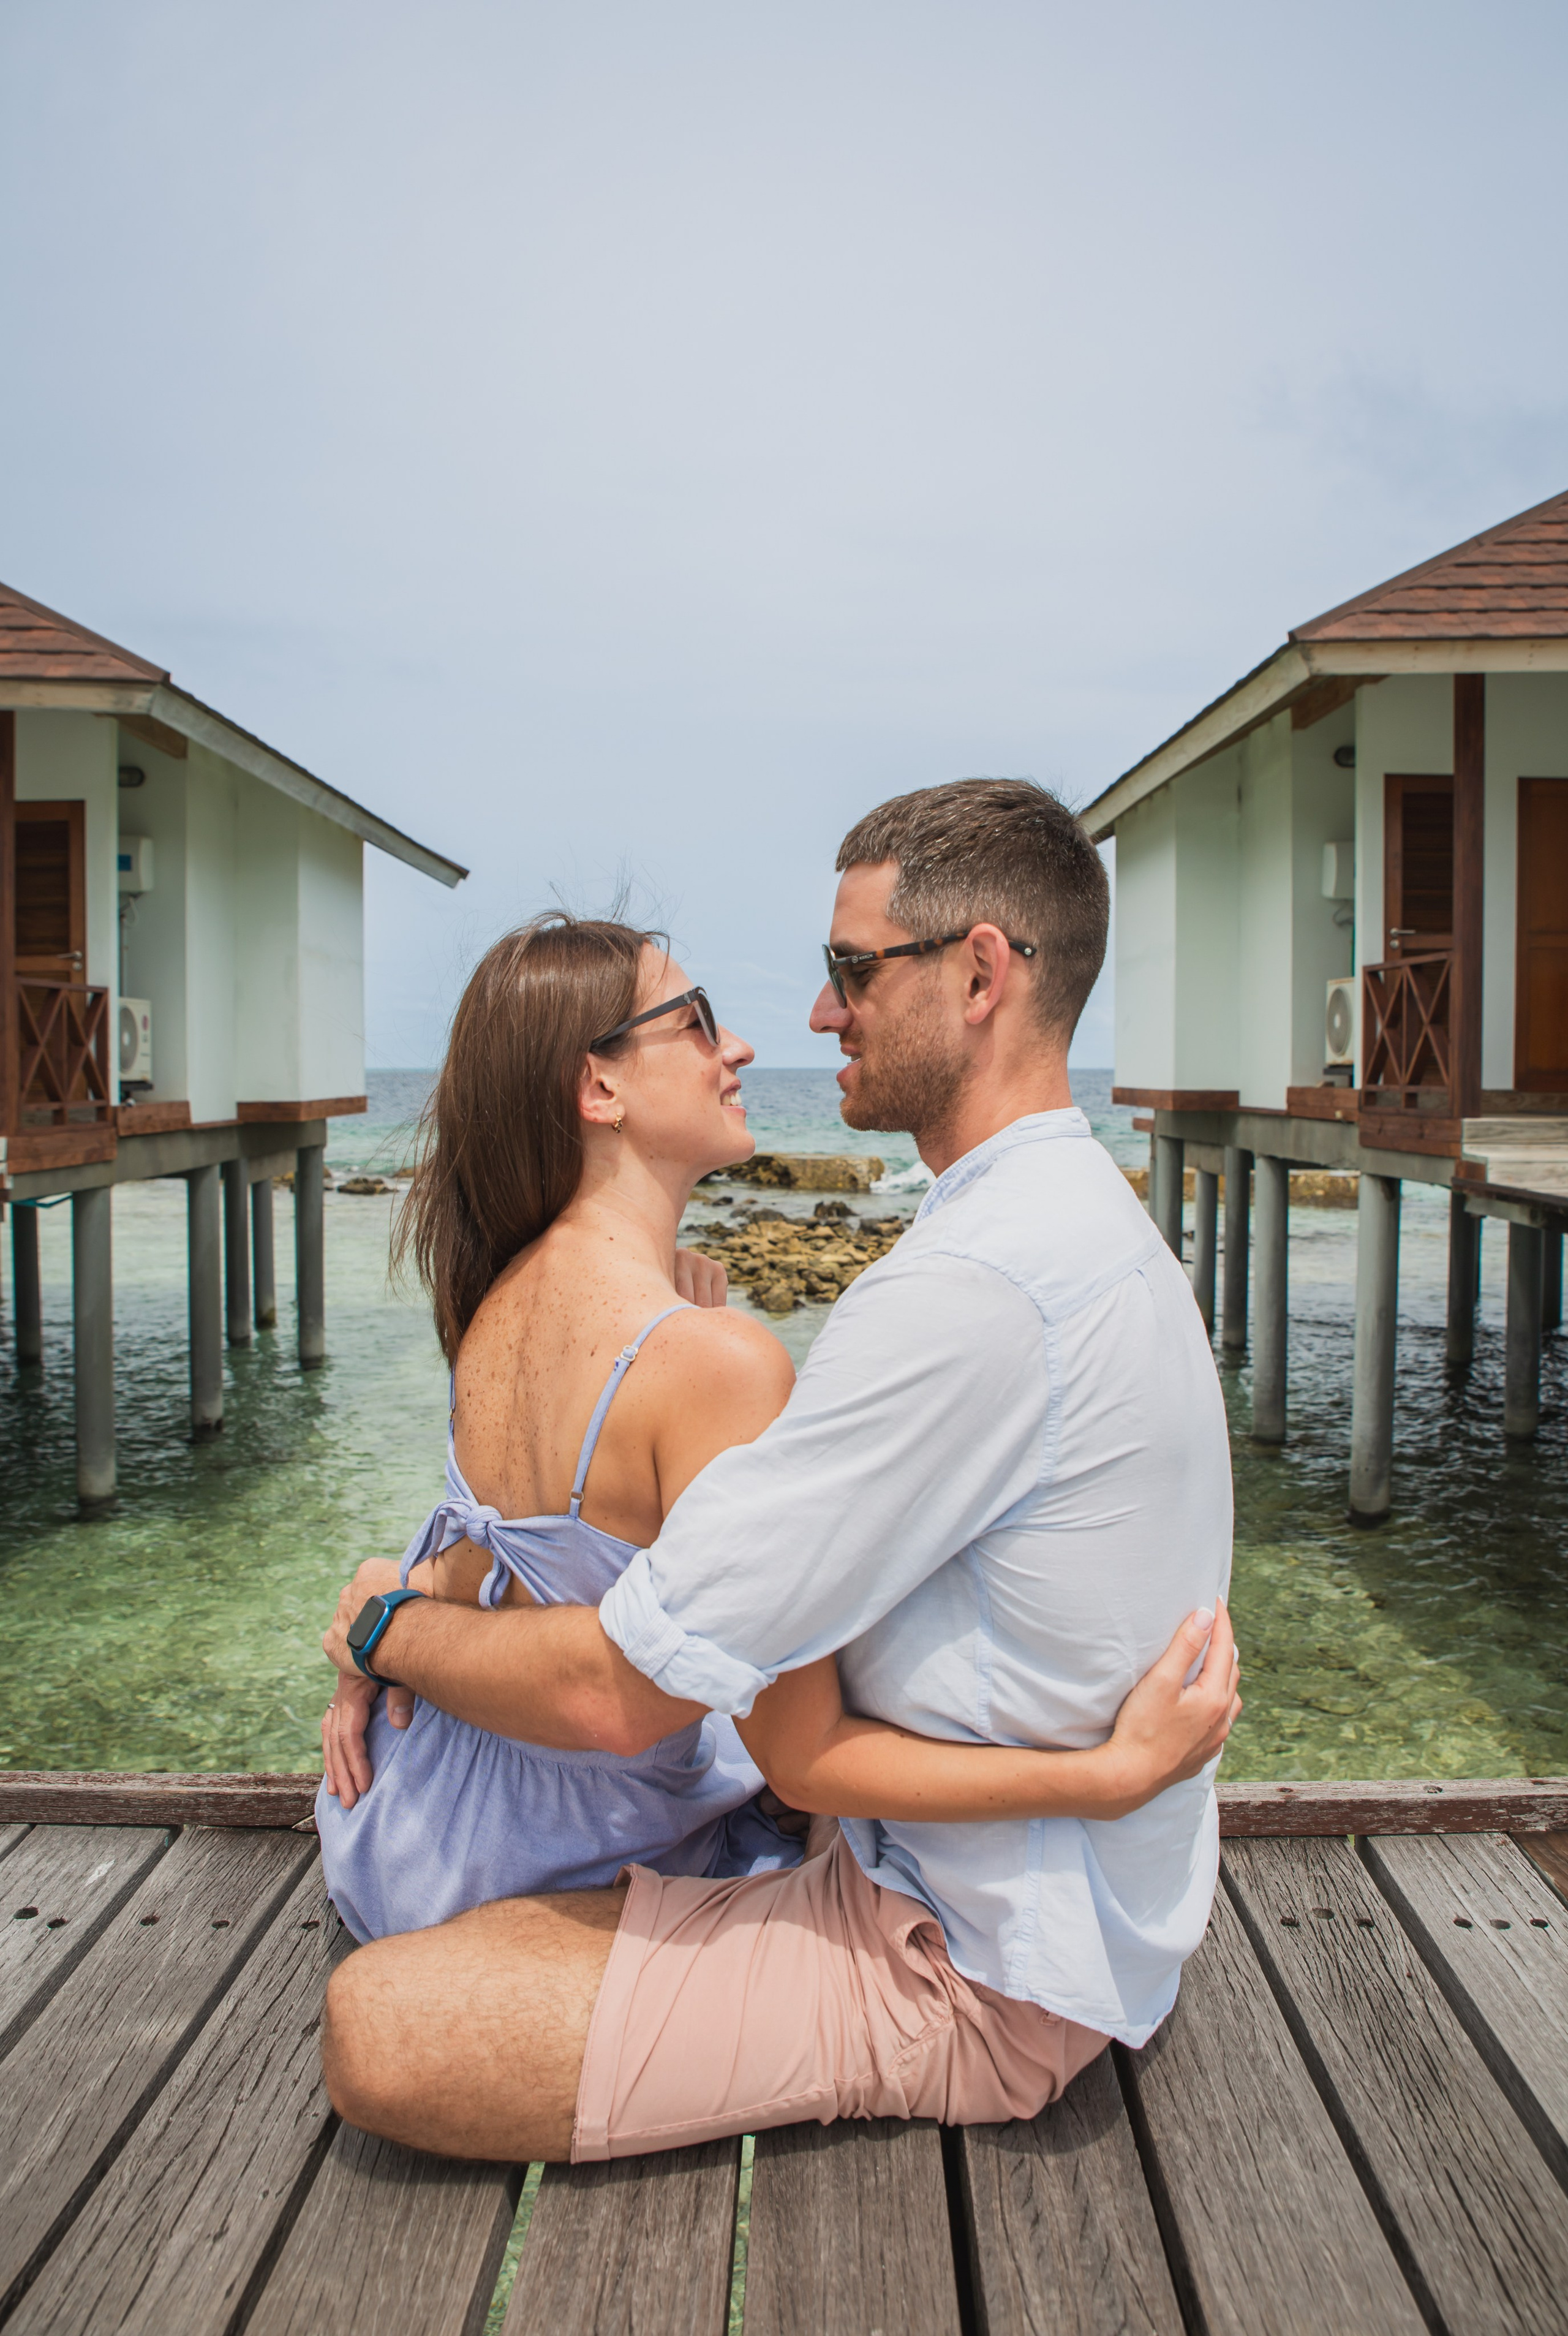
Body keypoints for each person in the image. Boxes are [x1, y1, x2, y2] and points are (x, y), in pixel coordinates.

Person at [318, 777, 1237, 2168]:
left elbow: (657, 1699)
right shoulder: (1058, 1224)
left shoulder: (969, 1288)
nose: (810, 1018)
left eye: (847, 970)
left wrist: (384, 1620)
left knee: (380, 2022)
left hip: (969, 1958)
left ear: (978, 972)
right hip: (969, 1884)